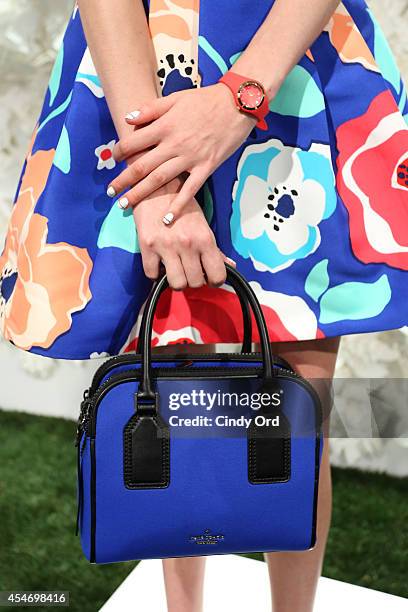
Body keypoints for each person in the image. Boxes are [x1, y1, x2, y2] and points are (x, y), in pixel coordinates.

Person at [0, 0, 407, 610]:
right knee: (169, 399)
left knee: (296, 417)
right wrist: (156, 180)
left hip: (291, 53)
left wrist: (239, 96)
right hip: (140, 71)